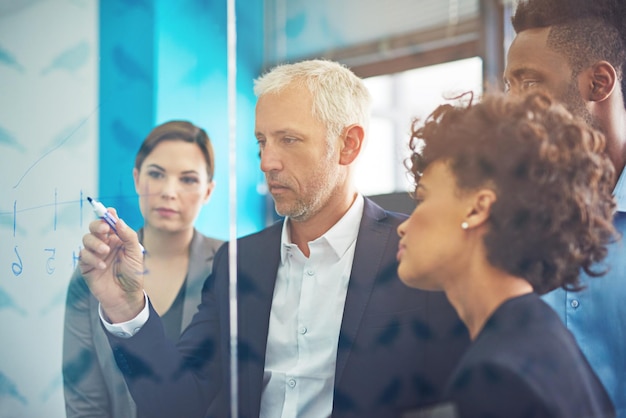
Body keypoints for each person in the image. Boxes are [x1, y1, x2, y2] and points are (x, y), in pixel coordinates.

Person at [76, 59, 470, 418]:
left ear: (348, 145)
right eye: (262, 141)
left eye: (289, 140)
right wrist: (126, 306)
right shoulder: (238, 262)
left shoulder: (415, 253)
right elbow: (177, 403)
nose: (267, 162)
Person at [397, 90, 617, 417]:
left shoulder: (497, 378)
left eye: (423, 199)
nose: (403, 226)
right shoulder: (548, 343)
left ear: (477, 208)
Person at [504, 1, 626, 415]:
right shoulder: (506, 219)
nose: (512, 106)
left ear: (599, 82)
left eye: (530, 83)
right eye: (509, 86)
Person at [63, 121, 224, 417]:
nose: (168, 192)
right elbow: (83, 400)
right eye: (156, 174)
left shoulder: (230, 268)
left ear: (208, 191)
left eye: (188, 180)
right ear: (137, 179)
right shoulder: (96, 272)